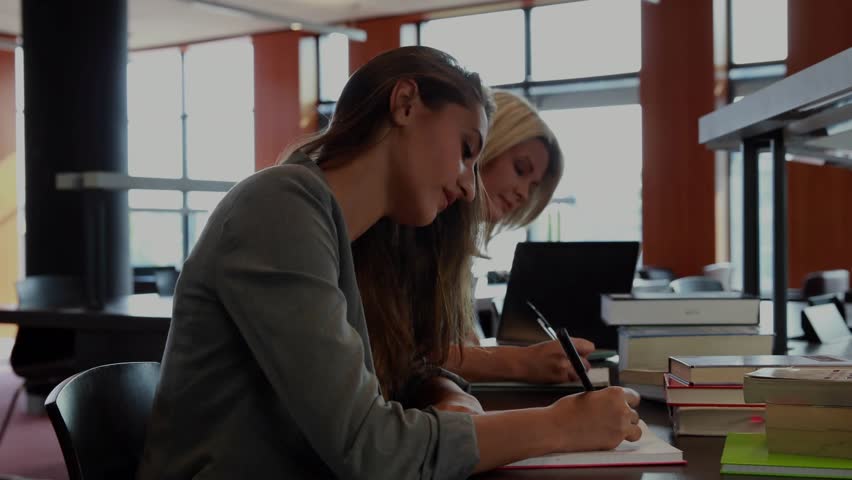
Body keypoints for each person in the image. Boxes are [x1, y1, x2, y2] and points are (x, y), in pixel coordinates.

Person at [137, 46, 641, 480]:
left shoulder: (355, 235)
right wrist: (562, 425)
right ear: (404, 103)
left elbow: (398, 364)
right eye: (466, 150)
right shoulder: (280, 207)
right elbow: (372, 452)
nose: (470, 185)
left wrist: (443, 388)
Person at [441, 90, 596, 384]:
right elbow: (404, 356)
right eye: (520, 169)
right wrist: (521, 362)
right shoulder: (414, 233)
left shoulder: (454, 254)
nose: (524, 193)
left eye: (533, 185)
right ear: (482, 146)